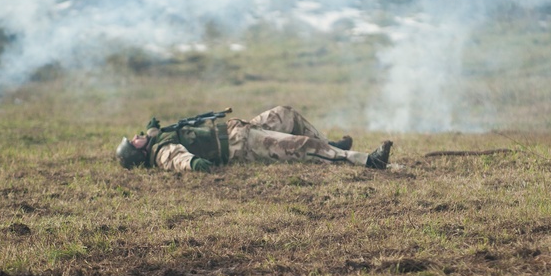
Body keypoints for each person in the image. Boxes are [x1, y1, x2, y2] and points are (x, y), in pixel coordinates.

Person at [115, 105, 393, 172]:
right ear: (140, 154)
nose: (138, 136)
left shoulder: (155, 138)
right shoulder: (161, 151)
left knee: (286, 114)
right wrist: (195, 164)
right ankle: (370, 161)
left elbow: (151, 132)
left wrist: (152, 131)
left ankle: (331, 145)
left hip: (242, 128)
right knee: (304, 148)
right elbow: (178, 159)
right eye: (134, 142)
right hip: (241, 146)